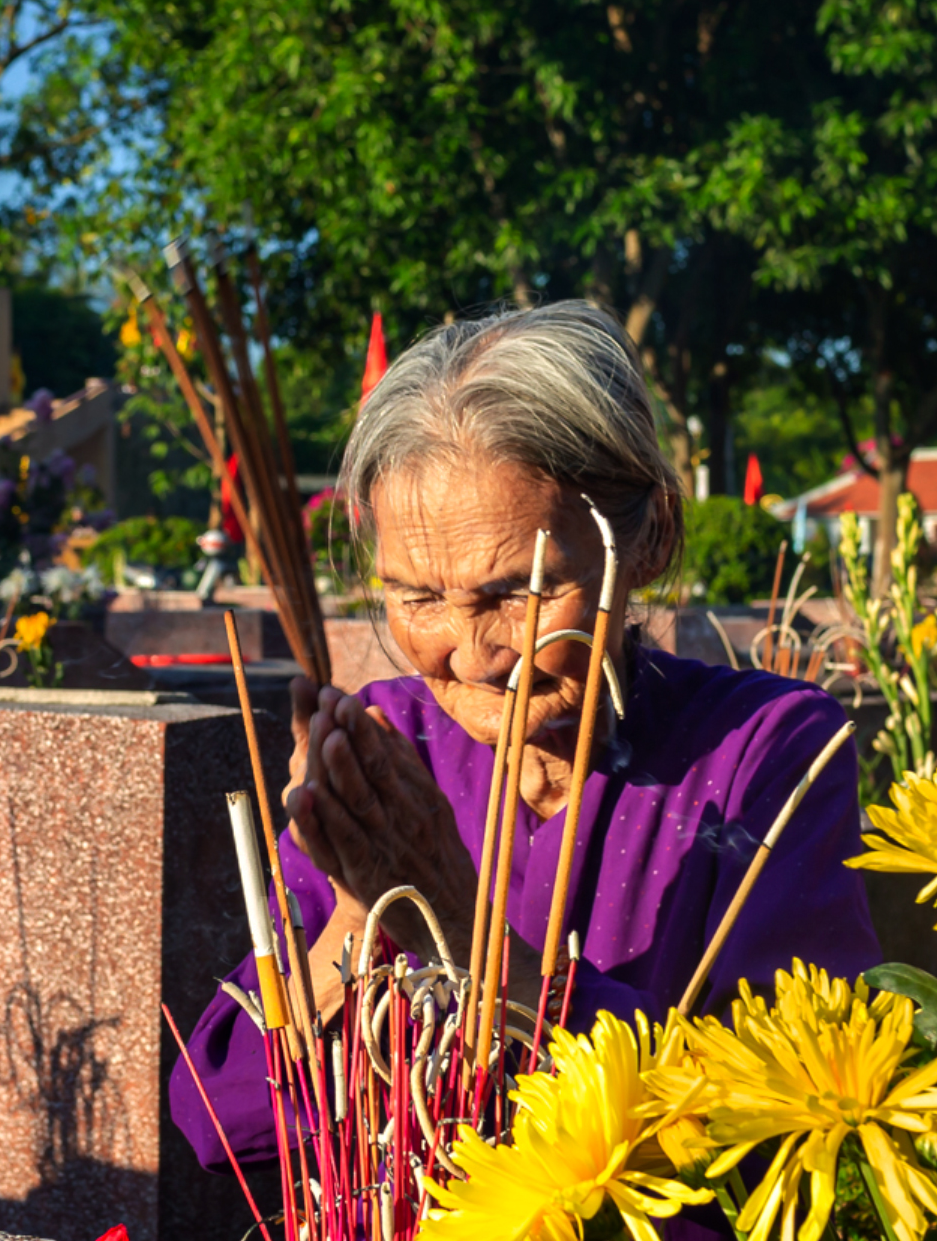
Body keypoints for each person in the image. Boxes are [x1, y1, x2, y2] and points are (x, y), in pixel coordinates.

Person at [172, 301, 880, 1176]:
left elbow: (778, 1134)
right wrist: (365, 911)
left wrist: (465, 931)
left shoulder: (767, 752)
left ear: (649, 535)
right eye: (419, 597)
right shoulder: (393, 747)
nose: (472, 656)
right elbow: (221, 1117)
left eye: (518, 592)